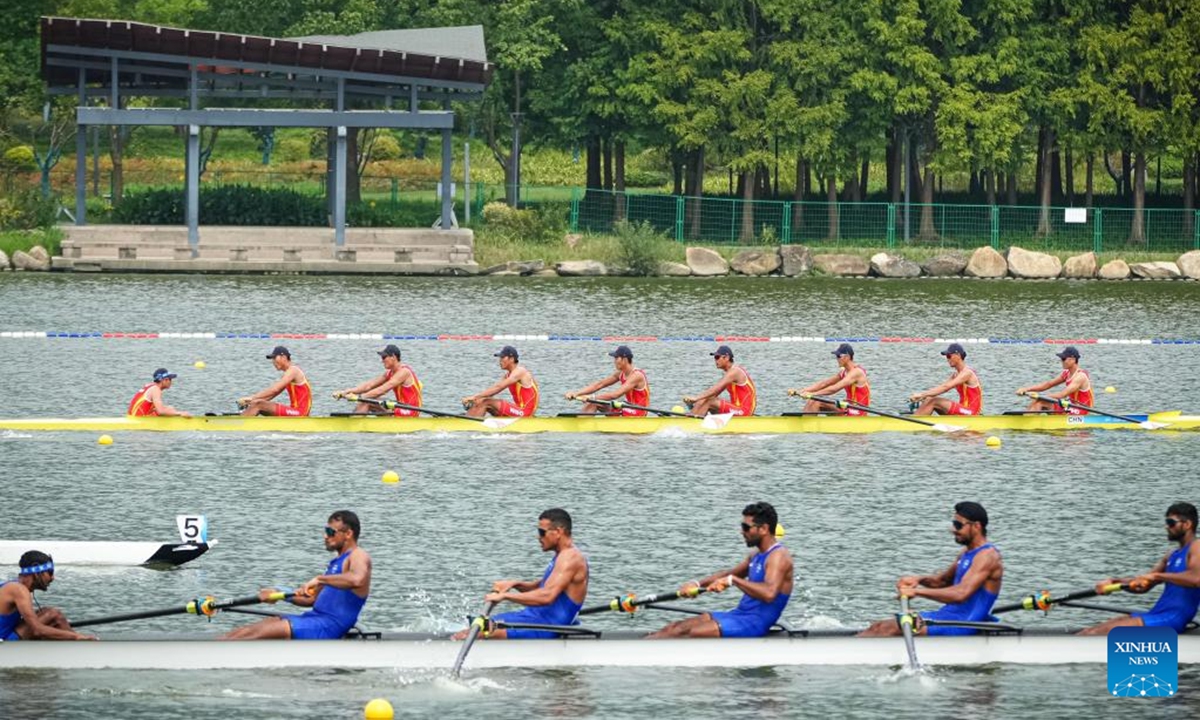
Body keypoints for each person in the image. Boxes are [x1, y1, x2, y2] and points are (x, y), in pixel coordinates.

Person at [648, 502, 792, 638]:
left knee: (695, 633)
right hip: (738, 615)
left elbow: (769, 593)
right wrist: (697, 584)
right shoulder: (756, 555)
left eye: (746, 527)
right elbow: (729, 574)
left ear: (764, 529)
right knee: (674, 629)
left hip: (754, 623)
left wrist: (733, 581)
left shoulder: (778, 556)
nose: (741, 531)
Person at [858, 502, 1003, 637]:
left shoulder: (987, 557)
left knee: (885, 628)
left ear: (976, 526)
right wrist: (918, 580)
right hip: (947, 616)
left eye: (958, 525)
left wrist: (916, 592)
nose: (953, 530)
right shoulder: (966, 553)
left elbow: (961, 594)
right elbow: (941, 582)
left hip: (963, 624)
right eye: (954, 524)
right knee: (878, 625)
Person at [223, 511, 370, 640]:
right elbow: (311, 599)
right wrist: (278, 593)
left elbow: (357, 579)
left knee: (249, 635)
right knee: (244, 631)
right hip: (314, 619)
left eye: (331, 532)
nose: (325, 536)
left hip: (328, 626)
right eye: (326, 531)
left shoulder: (358, 555)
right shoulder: (335, 564)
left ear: (348, 534)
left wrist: (320, 579)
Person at [453, 508, 589, 640]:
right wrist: (514, 584)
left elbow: (547, 596)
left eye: (542, 532)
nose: (538, 537)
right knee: (476, 624)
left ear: (558, 532)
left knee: (477, 633)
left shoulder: (570, 559)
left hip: (546, 627)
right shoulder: (562, 555)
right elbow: (543, 586)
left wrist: (505, 596)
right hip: (532, 617)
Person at [1079, 502, 1200, 635]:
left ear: (1187, 524)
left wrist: (1158, 576)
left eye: (1171, 522)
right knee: (1088, 632)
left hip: (1173, 619)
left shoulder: (1197, 547)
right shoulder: (1171, 555)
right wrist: (1114, 582)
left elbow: (1196, 578)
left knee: (1101, 633)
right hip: (1157, 613)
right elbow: (1142, 585)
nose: (1166, 526)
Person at [0, 551, 94, 640]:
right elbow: (37, 630)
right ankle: (79, 648)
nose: (52, 578)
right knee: (54, 614)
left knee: (46, 612)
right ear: (36, 571)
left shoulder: (11, 585)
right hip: (5, 642)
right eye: (50, 572)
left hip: (7, 635)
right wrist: (76, 636)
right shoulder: (18, 590)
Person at [333, 344, 422, 416]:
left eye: (384, 357)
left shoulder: (404, 372)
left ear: (393, 357)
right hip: (399, 407)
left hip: (410, 411)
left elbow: (382, 389)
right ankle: (356, 420)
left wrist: (360, 398)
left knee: (367, 401)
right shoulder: (389, 373)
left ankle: (354, 426)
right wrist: (348, 391)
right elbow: (369, 385)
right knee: (367, 399)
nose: (382, 361)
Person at [564, 345, 651, 416]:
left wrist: (591, 398)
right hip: (628, 407)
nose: (614, 361)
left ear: (624, 360)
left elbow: (616, 394)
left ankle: (580, 426)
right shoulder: (620, 373)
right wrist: (577, 393)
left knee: (593, 401)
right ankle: (581, 423)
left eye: (616, 358)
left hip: (639, 412)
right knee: (593, 402)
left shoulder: (636, 375)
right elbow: (599, 385)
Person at [789, 343, 870, 415]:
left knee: (817, 400)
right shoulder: (844, 372)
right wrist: (803, 390)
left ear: (847, 357)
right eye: (836, 356)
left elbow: (834, 389)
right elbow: (824, 384)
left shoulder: (856, 372)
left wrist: (813, 394)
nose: (837, 359)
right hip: (847, 407)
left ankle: (806, 427)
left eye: (839, 356)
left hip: (858, 411)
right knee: (813, 400)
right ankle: (805, 423)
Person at [461, 346, 539, 418]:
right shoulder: (507, 375)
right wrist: (476, 400)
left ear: (511, 359)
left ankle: (467, 422)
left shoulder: (520, 371)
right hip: (518, 410)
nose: (500, 361)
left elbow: (498, 388)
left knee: (485, 401)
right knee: (481, 400)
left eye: (502, 358)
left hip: (525, 413)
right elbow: (493, 391)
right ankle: (469, 417)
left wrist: (475, 397)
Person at [683, 345, 757, 417]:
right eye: (715, 358)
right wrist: (697, 402)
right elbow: (713, 394)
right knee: (706, 399)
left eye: (717, 357)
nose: (715, 360)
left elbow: (714, 389)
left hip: (744, 411)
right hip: (736, 409)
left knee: (709, 401)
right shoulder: (729, 373)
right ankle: (690, 418)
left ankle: (691, 423)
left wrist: (696, 398)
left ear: (727, 357)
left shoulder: (735, 371)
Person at [1016, 346, 1093, 415]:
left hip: (1082, 410)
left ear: (1073, 360)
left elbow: (1062, 395)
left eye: (1063, 359)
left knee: (1041, 402)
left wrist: (1040, 396)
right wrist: (1026, 389)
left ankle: (1028, 423)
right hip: (1072, 406)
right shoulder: (1066, 373)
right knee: (1037, 401)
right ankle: (1026, 417)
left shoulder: (1080, 376)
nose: (1061, 361)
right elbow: (1048, 384)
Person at [910, 343, 983, 416]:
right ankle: (915, 419)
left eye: (949, 356)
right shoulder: (955, 375)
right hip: (963, 409)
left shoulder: (967, 373)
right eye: (946, 357)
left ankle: (910, 424)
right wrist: (923, 397)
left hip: (972, 412)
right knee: (929, 399)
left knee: (934, 401)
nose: (947, 359)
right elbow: (942, 386)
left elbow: (946, 387)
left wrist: (922, 394)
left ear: (958, 355)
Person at [239, 346, 313, 417]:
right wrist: (251, 402)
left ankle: (240, 424)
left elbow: (274, 389)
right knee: (257, 403)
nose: (273, 362)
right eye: (272, 359)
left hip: (300, 412)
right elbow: (273, 394)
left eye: (275, 358)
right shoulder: (288, 373)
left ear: (284, 357)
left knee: (258, 404)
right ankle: (245, 420)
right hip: (295, 411)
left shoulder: (293, 370)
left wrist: (252, 398)